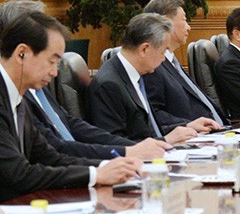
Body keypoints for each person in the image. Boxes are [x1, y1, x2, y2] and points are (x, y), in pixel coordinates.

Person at [0, 0, 168, 161]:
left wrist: (130, 149)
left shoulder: (35, 85)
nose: (55, 72)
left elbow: (69, 122)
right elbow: (52, 151)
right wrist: (122, 155)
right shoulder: (14, 93)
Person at [0, 11, 140, 201]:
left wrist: (109, 168)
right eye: (52, 61)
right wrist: (95, 175)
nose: (55, 73)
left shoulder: (18, 98)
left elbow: (52, 158)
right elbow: (19, 174)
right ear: (21, 53)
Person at [90, 14, 200, 144]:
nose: (163, 59)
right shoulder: (109, 85)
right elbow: (113, 144)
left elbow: (146, 129)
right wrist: (165, 140)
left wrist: (184, 127)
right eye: (163, 52)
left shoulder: (135, 75)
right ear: (144, 49)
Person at [141, 0, 225, 131]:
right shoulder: (152, 66)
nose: (189, 27)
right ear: (166, 23)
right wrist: (187, 125)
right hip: (193, 137)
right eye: (184, 20)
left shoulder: (172, 62)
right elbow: (154, 115)